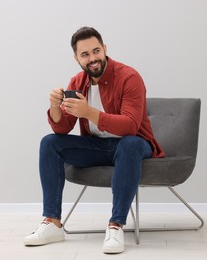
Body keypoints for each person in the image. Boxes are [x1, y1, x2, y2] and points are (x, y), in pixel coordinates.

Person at [24, 26, 165, 254]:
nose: (92, 58)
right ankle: (52, 223)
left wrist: (88, 112)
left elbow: (130, 126)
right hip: (98, 147)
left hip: (135, 143)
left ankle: (116, 225)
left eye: (96, 51)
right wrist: (54, 107)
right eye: (85, 54)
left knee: (128, 144)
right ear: (76, 58)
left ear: (105, 49)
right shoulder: (78, 82)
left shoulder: (129, 77)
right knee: (49, 142)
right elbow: (63, 128)